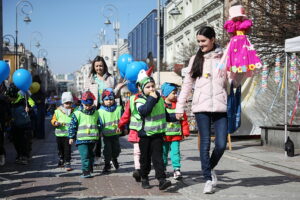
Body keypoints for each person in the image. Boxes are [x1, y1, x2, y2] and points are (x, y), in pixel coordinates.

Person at [175, 26, 243, 194]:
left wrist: (240, 70)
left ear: (213, 39)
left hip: (220, 107)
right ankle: (208, 179)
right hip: (201, 107)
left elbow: (233, 82)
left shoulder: (225, 57)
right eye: (198, 41)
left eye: (203, 41)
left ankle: (208, 168)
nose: (201, 44)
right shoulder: (195, 59)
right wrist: (180, 106)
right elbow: (187, 85)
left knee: (221, 144)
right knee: (204, 144)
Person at [131, 69, 172, 190]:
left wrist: (176, 117)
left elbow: (165, 115)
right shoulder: (139, 101)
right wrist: (152, 99)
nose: (151, 89)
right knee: (145, 159)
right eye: (148, 87)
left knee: (158, 158)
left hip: (157, 134)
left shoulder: (159, 100)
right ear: (141, 89)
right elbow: (145, 111)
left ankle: (161, 180)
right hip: (145, 135)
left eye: (153, 86)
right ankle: (144, 177)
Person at [85, 56, 124, 166]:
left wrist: (119, 87)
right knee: (96, 134)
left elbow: (115, 95)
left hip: (109, 109)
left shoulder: (111, 78)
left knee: (109, 134)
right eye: (97, 66)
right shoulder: (90, 79)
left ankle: (111, 156)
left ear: (104, 66)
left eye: (101, 65)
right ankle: (97, 156)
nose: (99, 68)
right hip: (95, 109)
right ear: (94, 67)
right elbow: (86, 94)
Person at [221, 5, 262, 76]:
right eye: (237, 16)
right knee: (235, 54)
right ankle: (236, 67)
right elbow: (230, 33)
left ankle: (243, 67)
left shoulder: (244, 23)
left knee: (244, 54)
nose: (238, 18)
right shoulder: (231, 24)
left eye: (240, 16)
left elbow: (247, 31)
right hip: (236, 40)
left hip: (242, 40)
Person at [161, 82, 190, 180]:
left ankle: (176, 169)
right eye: (173, 92)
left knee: (175, 152)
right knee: (163, 153)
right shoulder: (161, 105)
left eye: (176, 92)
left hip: (175, 135)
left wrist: (185, 131)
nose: (175, 95)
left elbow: (184, 119)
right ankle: (163, 168)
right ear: (166, 93)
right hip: (164, 135)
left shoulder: (179, 105)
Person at [68, 91, 101, 178]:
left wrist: (100, 131)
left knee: (91, 155)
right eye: (86, 105)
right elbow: (72, 125)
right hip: (82, 139)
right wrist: (71, 137)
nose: (88, 107)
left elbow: (99, 123)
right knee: (85, 155)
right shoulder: (77, 113)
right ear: (82, 103)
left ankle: (90, 168)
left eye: (90, 105)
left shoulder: (96, 113)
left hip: (93, 138)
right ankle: (86, 171)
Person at [5, 83, 35, 165]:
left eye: (10, 98)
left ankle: (25, 156)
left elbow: (32, 105)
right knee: (16, 141)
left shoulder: (23, 98)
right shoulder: (9, 101)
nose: (9, 99)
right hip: (15, 124)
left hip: (25, 125)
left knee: (25, 141)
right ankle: (19, 155)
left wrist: (29, 108)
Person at [98, 88, 122, 173]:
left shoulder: (118, 109)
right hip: (106, 135)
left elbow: (122, 119)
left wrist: (124, 127)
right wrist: (100, 131)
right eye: (106, 99)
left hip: (116, 134)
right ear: (103, 101)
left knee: (117, 150)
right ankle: (107, 164)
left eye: (111, 99)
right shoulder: (100, 111)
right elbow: (99, 123)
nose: (109, 101)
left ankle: (114, 158)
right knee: (107, 150)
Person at [118, 92, 141, 182]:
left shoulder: (152, 97)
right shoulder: (132, 99)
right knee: (137, 151)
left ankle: (142, 170)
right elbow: (126, 114)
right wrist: (120, 125)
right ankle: (138, 170)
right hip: (136, 131)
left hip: (148, 131)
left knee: (145, 153)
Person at [51, 92, 74, 171]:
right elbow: (53, 119)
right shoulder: (57, 111)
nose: (68, 105)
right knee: (60, 149)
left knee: (67, 149)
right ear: (63, 103)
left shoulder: (74, 111)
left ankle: (67, 162)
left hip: (68, 135)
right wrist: (55, 123)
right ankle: (61, 159)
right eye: (66, 103)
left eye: (70, 103)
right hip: (59, 134)